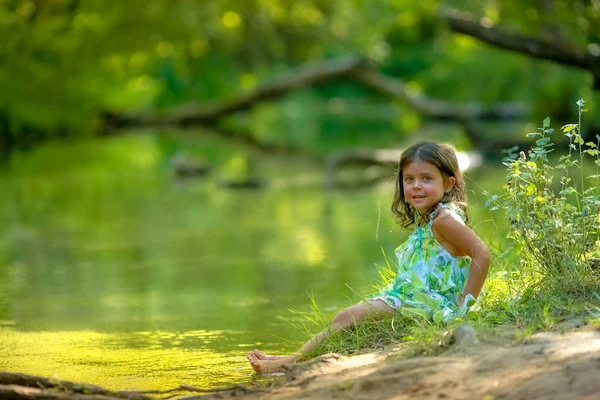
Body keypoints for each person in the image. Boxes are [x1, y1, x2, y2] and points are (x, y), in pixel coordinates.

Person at [247, 141, 491, 373]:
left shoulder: (444, 220)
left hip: (428, 302)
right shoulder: (432, 217)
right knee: (348, 320)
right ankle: (290, 358)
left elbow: (482, 253)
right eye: (409, 179)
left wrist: (464, 306)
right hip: (412, 296)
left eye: (426, 178)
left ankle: (286, 364)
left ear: (448, 184)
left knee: (344, 317)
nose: (416, 186)